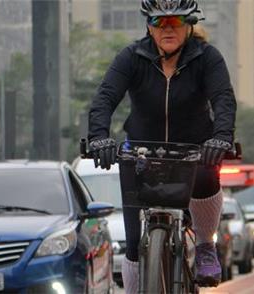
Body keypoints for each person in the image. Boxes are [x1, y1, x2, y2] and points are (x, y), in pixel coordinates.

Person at [86, 0, 236, 292]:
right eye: (159, 22)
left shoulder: (208, 58)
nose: (168, 28)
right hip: (141, 153)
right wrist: (99, 137)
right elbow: (104, 98)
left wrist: (221, 137)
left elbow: (223, 99)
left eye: (176, 21)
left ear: (189, 24)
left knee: (209, 170)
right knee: (132, 246)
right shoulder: (131, 57)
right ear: (148, 26)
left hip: (193, 152)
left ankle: (205, 245)